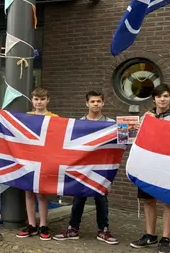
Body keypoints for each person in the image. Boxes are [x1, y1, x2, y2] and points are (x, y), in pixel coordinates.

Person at [53, 91, 118, 244]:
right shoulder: (78, 124)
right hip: (82, 167)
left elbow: (125, 140)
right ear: (87, 104)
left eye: (98, 101)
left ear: (103, 103)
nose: (96, 104)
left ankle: (104, 230)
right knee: (79, 197)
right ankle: (73, 228)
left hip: (101, 167)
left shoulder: (111, 123)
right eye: (93, 101)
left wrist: (135, 126)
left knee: (101, 198)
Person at [130, 83, 170, 253]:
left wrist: (153, 124)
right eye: (159, 96)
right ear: (153, 99)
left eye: (166, 96)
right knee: (148, 200)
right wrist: (138, 127)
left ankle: (166, 238)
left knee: (169, 202)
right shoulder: (145, 117)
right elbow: (134, 140)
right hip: (148, 164)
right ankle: (150, 234)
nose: (163, 99)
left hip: (168, 165)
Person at [16, 87, 59, 241]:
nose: (39, 102)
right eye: (36, 99)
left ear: (48, 100)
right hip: (29, 159)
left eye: (42, 99)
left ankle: (44, 225)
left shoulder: (55, 118)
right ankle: (31, 224)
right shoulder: (27, 117)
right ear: (32, 101)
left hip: (45, 160)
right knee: (28, 193)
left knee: (41, 194)